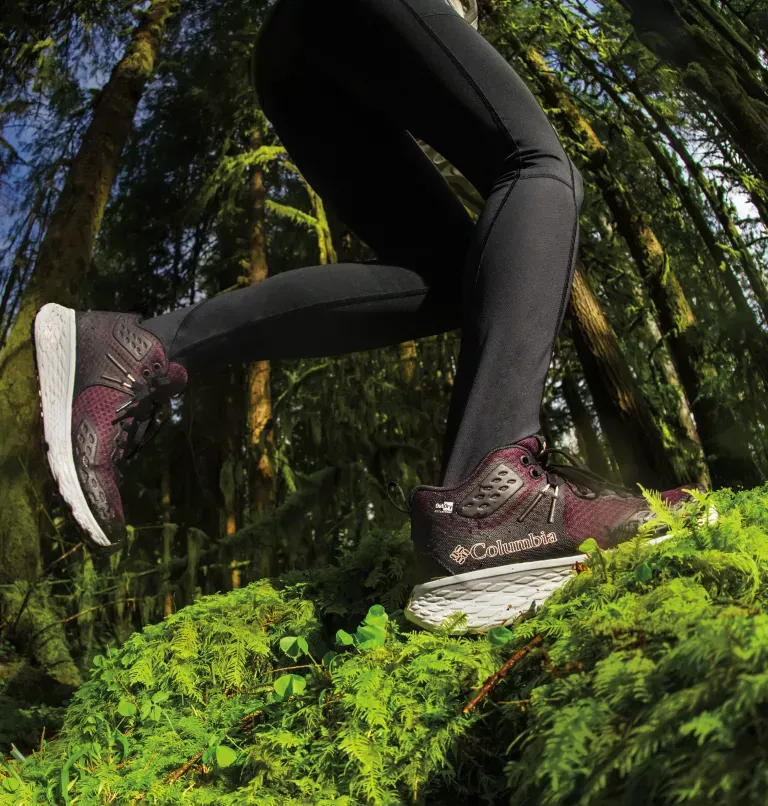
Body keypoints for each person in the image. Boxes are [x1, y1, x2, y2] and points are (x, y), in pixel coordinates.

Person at [32, 0, 706, 632]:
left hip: (310, 56)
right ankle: (493, 493)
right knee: (537, 165)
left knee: (456, 279)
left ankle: (137, 347)